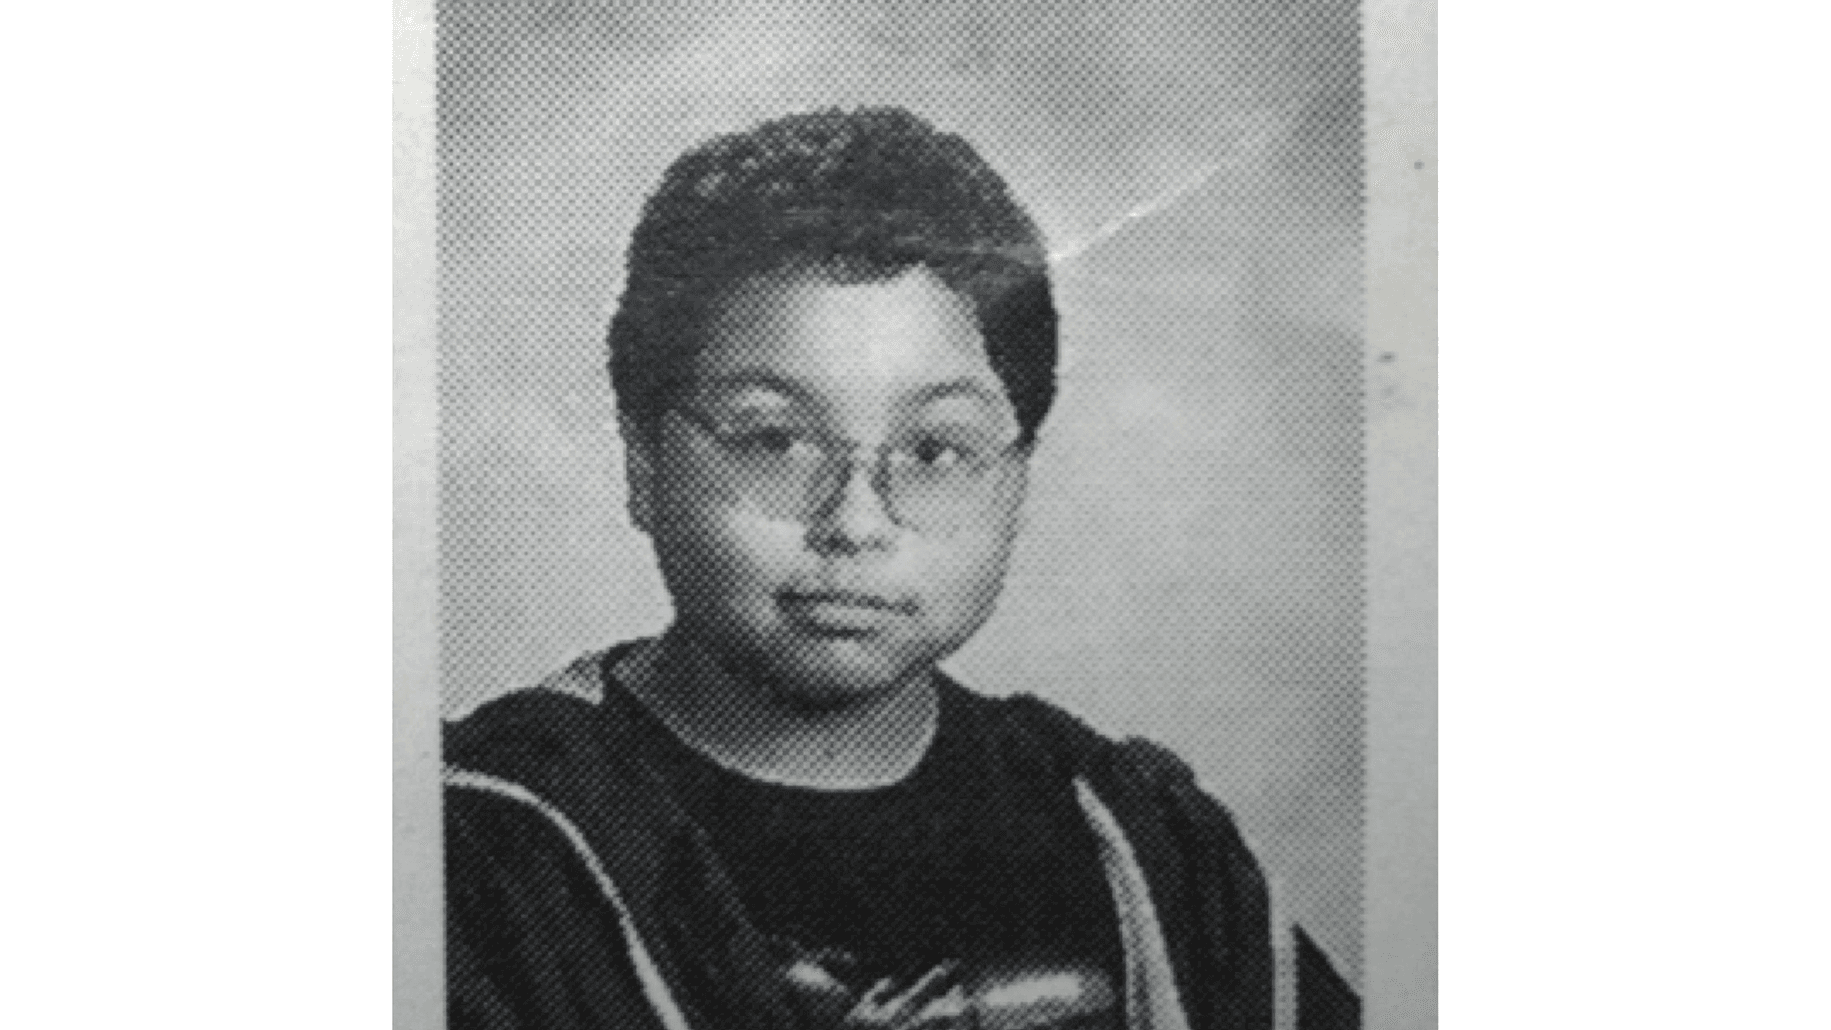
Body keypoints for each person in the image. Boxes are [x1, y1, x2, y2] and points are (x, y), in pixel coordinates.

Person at [444, 106, 1358, 1030]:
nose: (854, 522)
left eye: (934, 452)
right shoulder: (484, 846)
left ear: (1017, 478)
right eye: (773, 440)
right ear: (643, 462)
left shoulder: (1137, 840)